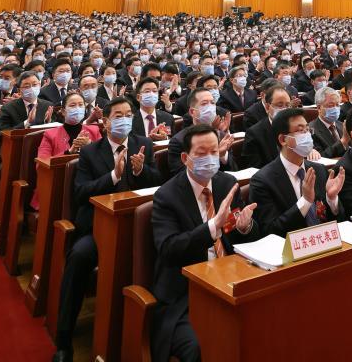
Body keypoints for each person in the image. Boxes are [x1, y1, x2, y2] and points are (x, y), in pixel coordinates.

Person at [52, 97, 160, 362]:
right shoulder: (90, 152)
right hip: (98, 228)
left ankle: (152, 335)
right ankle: (63, 340)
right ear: (106, 122)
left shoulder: (144, 144)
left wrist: (141, 171)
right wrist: (113, 176)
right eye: (118, 115)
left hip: (136, 226)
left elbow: (159, 184)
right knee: (78, 257)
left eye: (128, 114)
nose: (125, 119)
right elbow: (80, 193)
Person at [151, 124, 260, 362]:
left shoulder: (226, 183)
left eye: (214, 152)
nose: (210, 159)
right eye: (202, 154)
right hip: (187, 293)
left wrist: (245, 227)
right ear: (185, 158)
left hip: (231, 279)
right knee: (199, 347)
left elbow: (241, 235)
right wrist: (212, 227)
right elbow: (168, 249)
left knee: (263, 328)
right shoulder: (166, 196)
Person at [248, 108, 346, 235]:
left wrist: (332, 199)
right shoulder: (263, 181)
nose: (307, 135)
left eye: (307, 130)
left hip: (324, 240)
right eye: (301, 130)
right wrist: (305, 202)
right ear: (283, 139)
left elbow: (340, 221)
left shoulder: (320, 170)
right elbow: (270, 231)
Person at [32, 91, 102, 209]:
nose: (77, 108)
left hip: (87, 186)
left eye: (81, 105)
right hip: (57, 186)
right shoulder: (50, 134)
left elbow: (104, 159)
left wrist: (90, 145)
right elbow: (41, 165)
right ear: (63, 111)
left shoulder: (94, 131)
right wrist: (68, 152)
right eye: (73, 105)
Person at [167, 88, 234, 175]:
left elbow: (233, 169)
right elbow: (180, 175)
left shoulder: (221, 135)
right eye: (204, 104)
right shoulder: (178, 141)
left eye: (212, 103)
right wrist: (216, 155)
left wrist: (222, 156)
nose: (210, 107)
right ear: (192, 112)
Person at [241, 83, 308, 170]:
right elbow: (255, 168)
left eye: (287, 105)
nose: (284, 109)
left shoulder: (297, 128)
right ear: (268, 107)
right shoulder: (254, 133)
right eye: (280, 105)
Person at [131, 77, 173, 141]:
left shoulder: (167, 118)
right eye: (147, 91)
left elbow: (172, 139)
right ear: (138, 97)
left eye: (154, 91)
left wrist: (165, 138)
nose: (151, 94)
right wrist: (148, 140)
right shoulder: (131, 120)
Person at [309, 86, 346, 156]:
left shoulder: (342, 125)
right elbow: (320, 156)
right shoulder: (311, 130)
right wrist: (343, 141)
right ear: (319, 108)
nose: (335, 108)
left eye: (337, 105)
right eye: (331, 105)